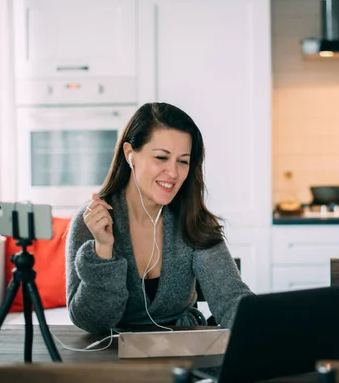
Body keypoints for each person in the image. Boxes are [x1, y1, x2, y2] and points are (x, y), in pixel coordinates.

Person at [65, 102, 253, 335]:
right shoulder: (91, 223)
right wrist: (103, 249)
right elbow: (92, 322)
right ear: (130, 155)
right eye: (162, 158)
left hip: (182, 354)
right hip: (113, 355)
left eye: (183, 161)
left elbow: (231, 299)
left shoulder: (194, 220)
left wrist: (270, 326)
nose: (173, 173)